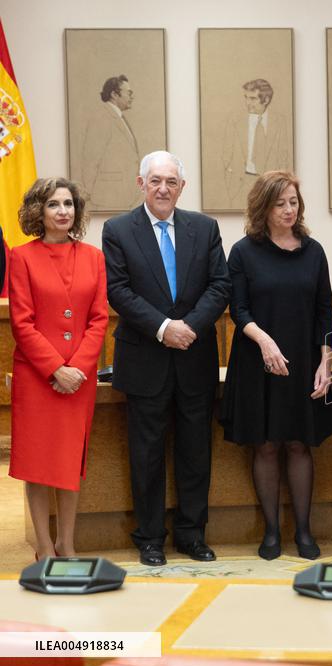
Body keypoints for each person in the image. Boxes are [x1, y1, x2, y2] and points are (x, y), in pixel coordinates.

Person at [103, 150, 231, 567]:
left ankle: (192, 535)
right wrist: (163, 327)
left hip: (194, 356)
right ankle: (150, 538)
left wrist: (188, 327)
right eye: (155, 180)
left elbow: (220, 285)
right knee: (147, 455)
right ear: (141, 183)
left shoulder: (204, 228)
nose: (163, 188)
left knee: (196, 451)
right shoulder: (118, 230)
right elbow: (118, 290)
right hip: (145, 359)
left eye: (171, 182)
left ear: (182, 187)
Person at [220, 171, 332, 560]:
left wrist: (326, 361)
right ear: (263, 208)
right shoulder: (243, 252)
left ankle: (303, 531)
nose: (289, 210)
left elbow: (325, 311)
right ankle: (271, 532)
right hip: (258, 360)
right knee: (267, 445)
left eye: (293, 202)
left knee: (299, 443)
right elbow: (238, 309)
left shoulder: (314, 251)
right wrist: (265, 341)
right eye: (280, 204)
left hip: (304, 361)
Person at [8, 178, 108, 559]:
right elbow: (22, 323)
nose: (63, 211)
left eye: (68, 204)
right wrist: (55, 369)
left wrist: (77, 368)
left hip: (79, 379)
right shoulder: (22, 257)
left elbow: (99, 319)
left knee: (69, 461)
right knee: (37, 462)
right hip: (37, 378)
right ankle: (44, 546)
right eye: (54, 204)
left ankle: (67, 543)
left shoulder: (94, 257)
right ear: (39, 211)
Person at [222, 79, 291, 208]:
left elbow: (283, 156)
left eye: (253, 98)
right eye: (246, 97)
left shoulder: (279, 121)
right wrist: (230, 181)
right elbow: (226, 154)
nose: (248, 103)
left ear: (266, 100)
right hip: (240, 184)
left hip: (270, 187)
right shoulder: (235, 120)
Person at [81, 75, 140, 210]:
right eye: (129, 93)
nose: (132, 97)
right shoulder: (102, 117)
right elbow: (91, 158)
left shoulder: (118, 117)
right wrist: (89, 191)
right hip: (108, 196)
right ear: (114, 94)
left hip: (123, 195)